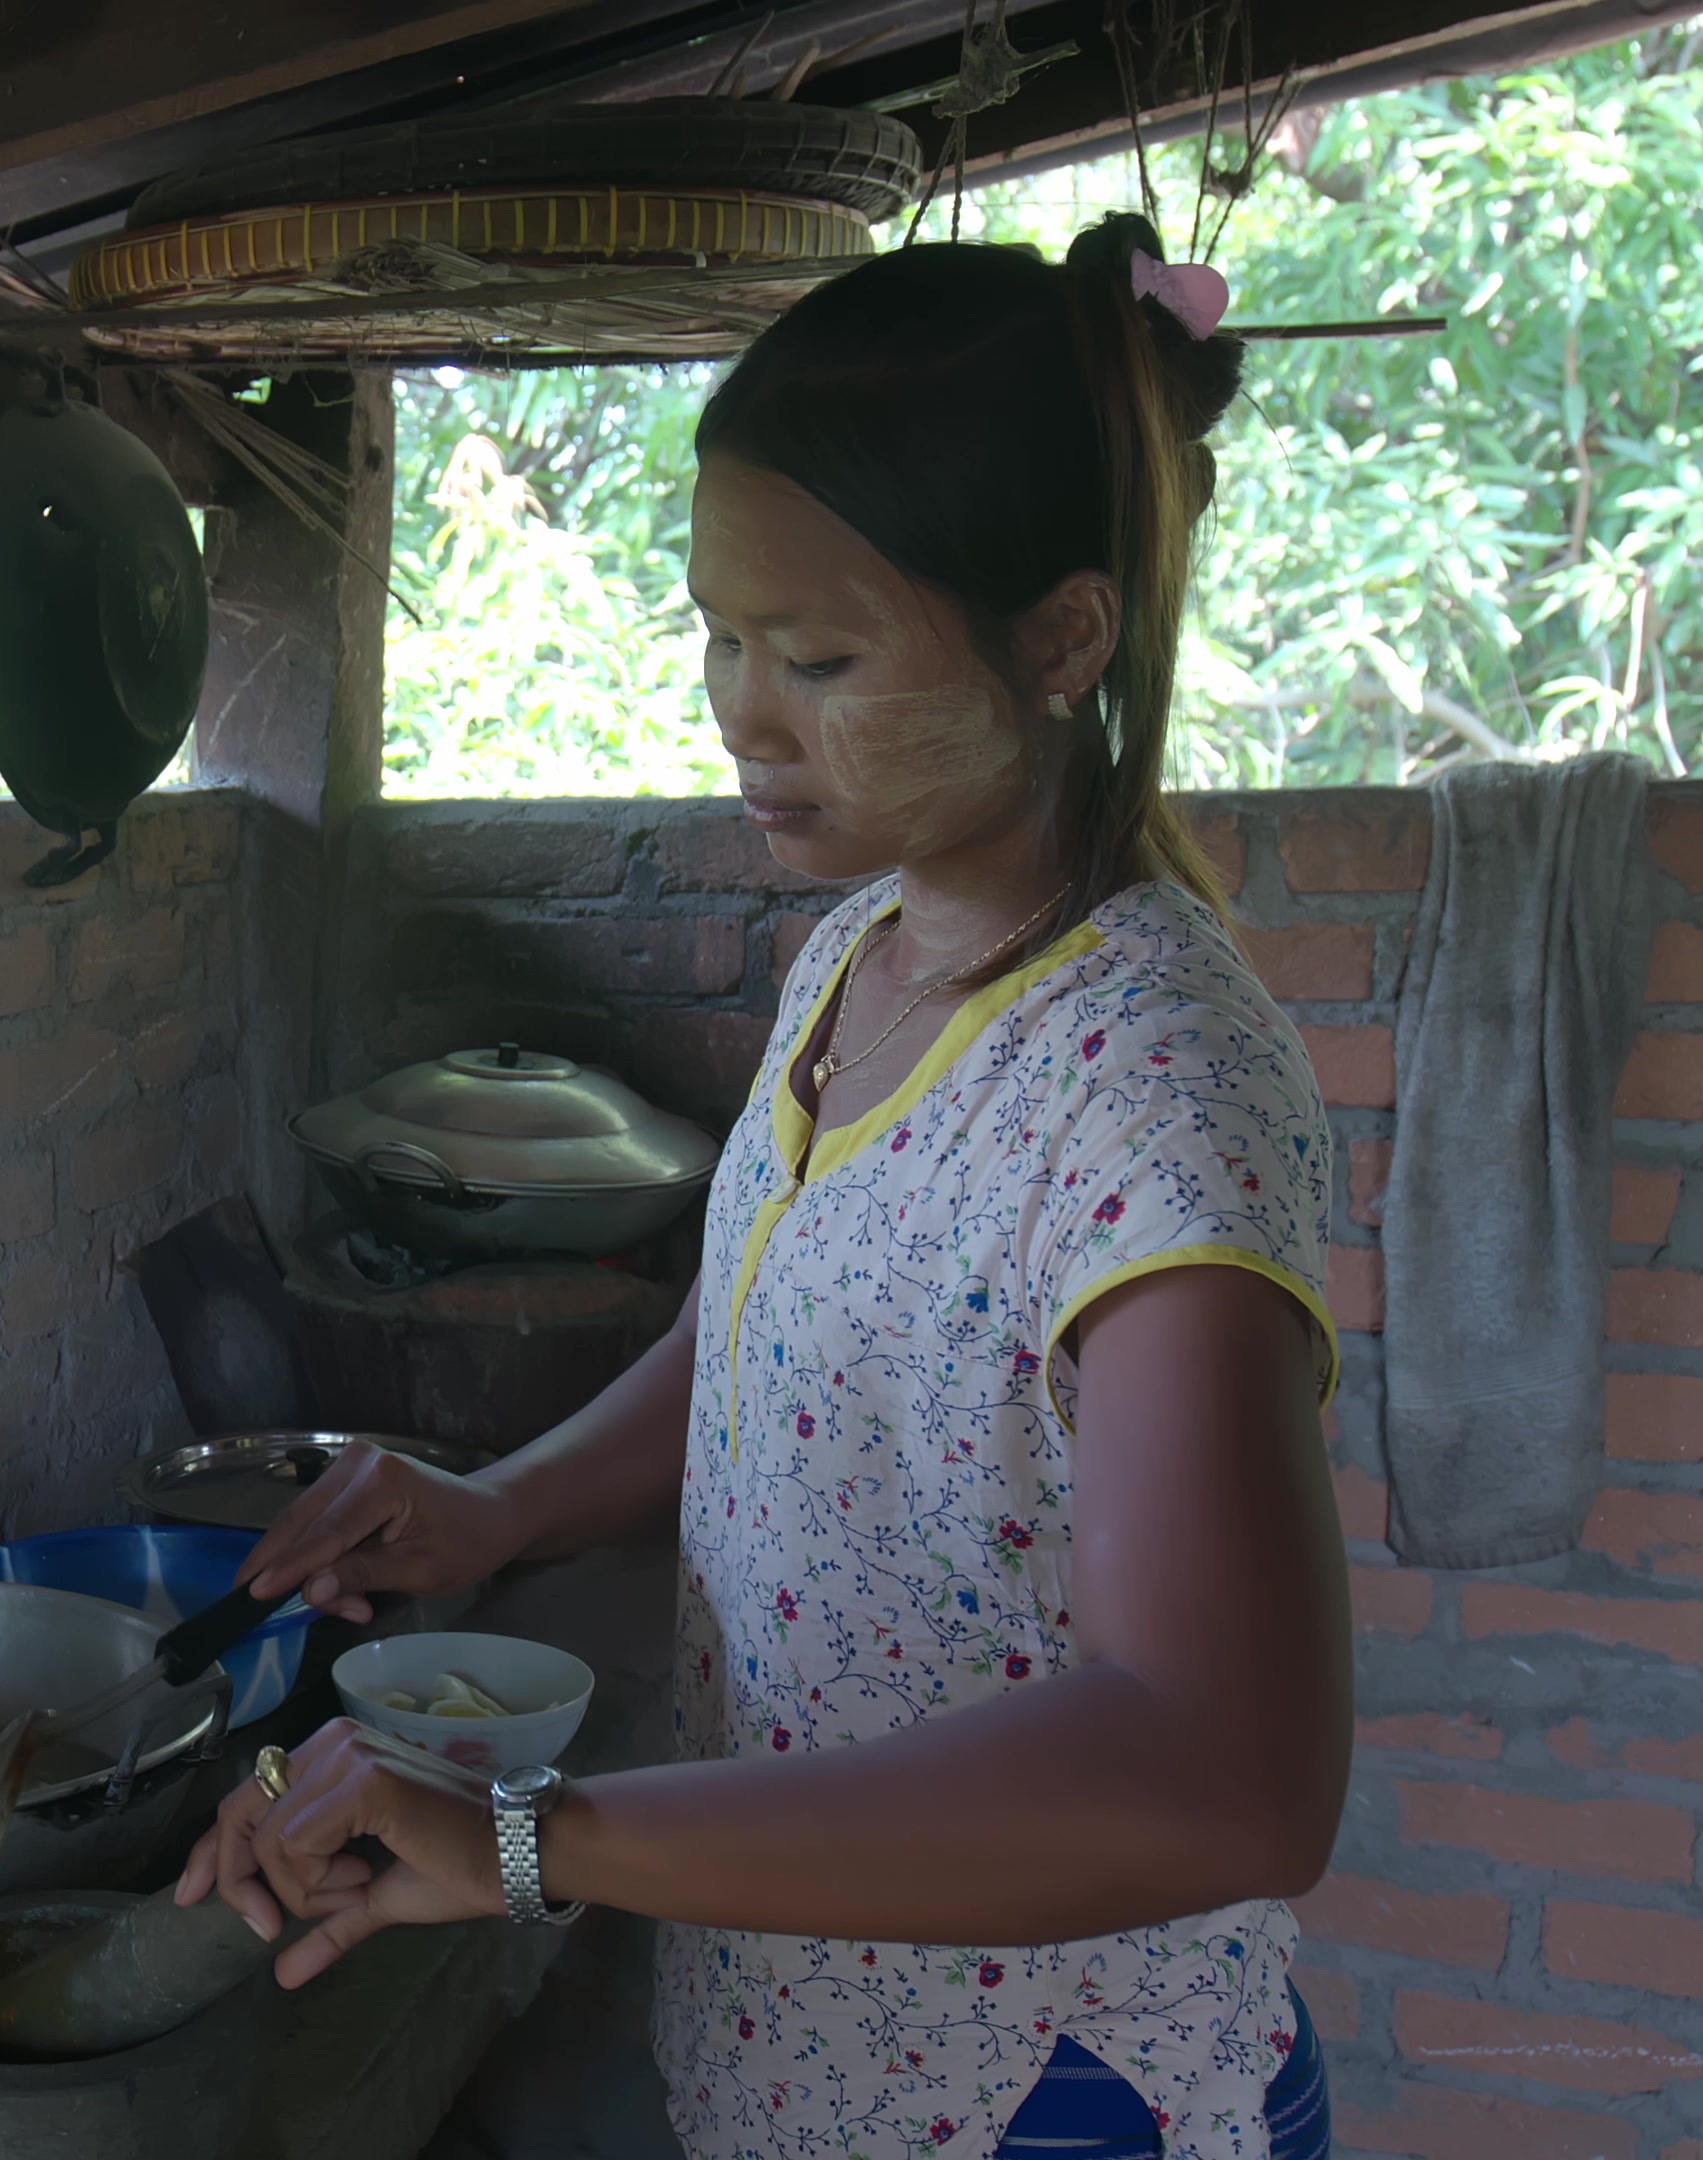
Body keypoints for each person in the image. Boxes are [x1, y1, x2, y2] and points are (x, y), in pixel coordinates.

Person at [177, 213, 1351, 2160]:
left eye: (818, 654)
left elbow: (1224, 1773)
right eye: (720, 634)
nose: (741, 706)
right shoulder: (860, 965)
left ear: (1064, 638)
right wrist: (500, 1507)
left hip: (1047, 2089)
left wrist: (548, 1839)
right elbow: (776, 1335)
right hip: (809, 2034)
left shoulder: (1152, 1085)